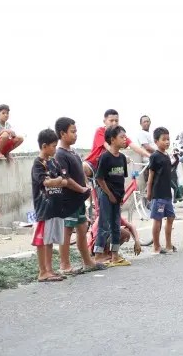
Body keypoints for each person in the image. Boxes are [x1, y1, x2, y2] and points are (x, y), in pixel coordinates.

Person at [54, 117, 105, 274]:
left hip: (79, 200)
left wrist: (86, 185)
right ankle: (64, 265)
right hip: (68, 200)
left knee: (82, 229)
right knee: (67, 231)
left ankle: (88, 261)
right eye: (73, 131)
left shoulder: (74, 153)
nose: (76, 135)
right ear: (62, 133)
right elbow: (65, 179)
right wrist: (81, 189)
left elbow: (80, 172)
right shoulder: (60, 154)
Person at [30, 129, 67, 282]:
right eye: (53, 146)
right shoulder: (38, 164)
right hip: (44, 208)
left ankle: (50, 269)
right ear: (44, 146)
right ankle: (42, 271)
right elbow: (46, 182)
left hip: (55, 207)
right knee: (42, 240)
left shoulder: (53, 162)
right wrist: (57, 180)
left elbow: (64, 180)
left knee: (50, 240)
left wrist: (57, 180)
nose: (55, 149)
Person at [94, 126, 131, 266]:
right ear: (112, 139)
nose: (125, 139)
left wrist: (120, 196)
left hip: (117, 197)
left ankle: (115, 256)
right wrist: (109, 194)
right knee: (103, 225)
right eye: (122, 137)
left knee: (116, 226)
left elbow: (121, 179)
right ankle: (98, 255)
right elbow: (99, 179)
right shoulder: (105, 157)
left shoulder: (122, 158)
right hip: (106, 196)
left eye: (125, 136)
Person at [83, 109, 150, 177]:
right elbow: (109, 148)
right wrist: (122, 156)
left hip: (108, 166)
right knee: (83, 167)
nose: (114, 123)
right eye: (111, 121)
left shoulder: (120, 134)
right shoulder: (100, 131)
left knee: (118, 178)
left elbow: (134, 146)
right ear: (104, 121)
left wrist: (150, 156)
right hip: (93, 164)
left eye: (116, 121)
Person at [147, 127, 177, 254]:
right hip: (158, 194)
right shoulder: (154, 156)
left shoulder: (167, 156)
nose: (167, 142)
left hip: (167, 193)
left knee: (170, 217)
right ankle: (156, 246)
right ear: (156, 141)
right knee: (157, 220)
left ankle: (169, 244)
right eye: (164, 139)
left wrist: (175, 161)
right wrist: (149, 192)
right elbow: (151, 176)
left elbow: (167, 172)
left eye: (168, 139)